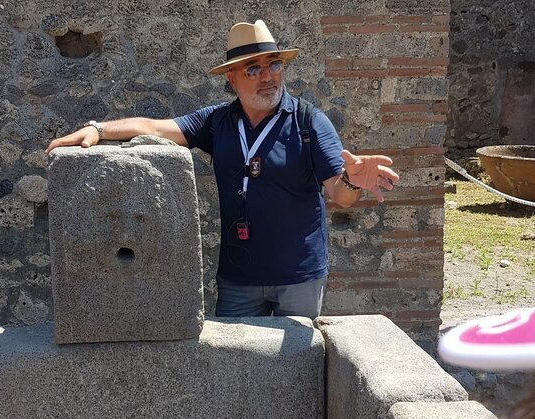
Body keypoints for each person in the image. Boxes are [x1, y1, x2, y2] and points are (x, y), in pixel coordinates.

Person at [46, 20, 400, 319]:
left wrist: (352, 181)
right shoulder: (218, 122)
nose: (267, 77)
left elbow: (338, 192)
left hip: (298, 279)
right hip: (238, 281)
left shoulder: (308, 121)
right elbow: (153, 127)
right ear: (232, 79)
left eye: (274, 65)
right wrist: (98, 129)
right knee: (236, 378)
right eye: (253, 69)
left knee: (296, 377)